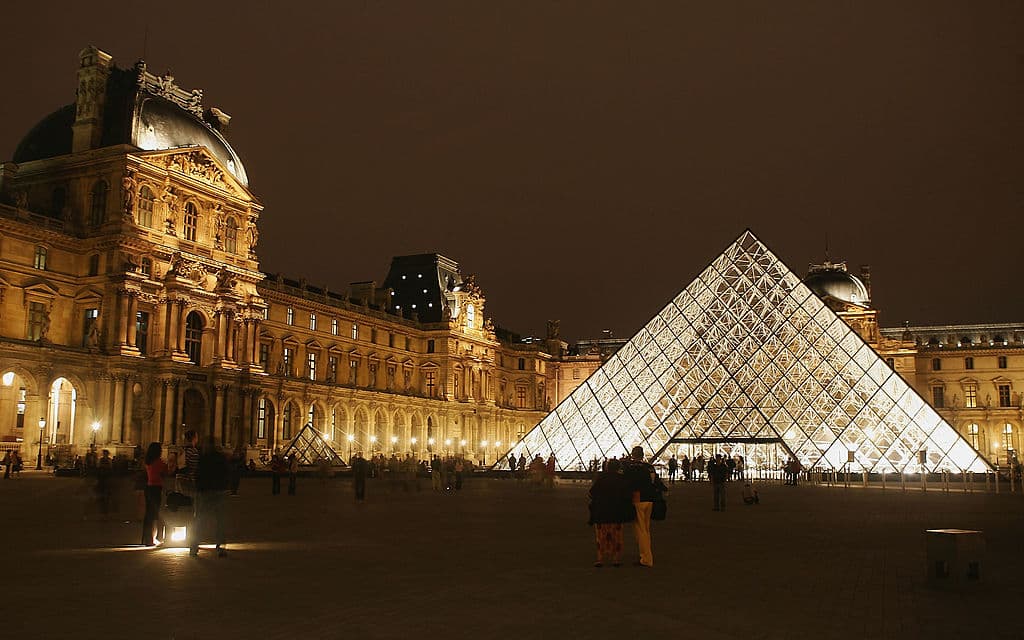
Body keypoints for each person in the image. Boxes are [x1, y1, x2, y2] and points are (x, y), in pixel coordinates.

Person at [588, 458, 634, 567]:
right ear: (619, 468)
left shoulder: (601, 478)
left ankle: (600, 559)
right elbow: (628, 495)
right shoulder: (622, 479)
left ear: (607, 467)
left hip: (602, 512)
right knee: (617, 536)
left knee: (601, 537)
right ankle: (616, 559)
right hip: (617, 512)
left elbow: (591, 493)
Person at [623, 445, 664, 568]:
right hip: (650, 499)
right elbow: (656, 483)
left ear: (632, 455)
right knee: (646, 529)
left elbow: (627, 484)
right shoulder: (649, 467)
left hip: (638, 499)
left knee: (640, 530)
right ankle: (646, 555)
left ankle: (646, 558)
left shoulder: (630, 468)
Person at [190, 437, 229, 558]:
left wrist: (198, 488)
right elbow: (227, 473)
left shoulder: (203, 458)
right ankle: (220, 546)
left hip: (205, 492)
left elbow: (198, 474)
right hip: (219, 491)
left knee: (200, 520)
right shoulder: (221, 458)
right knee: (220, 520)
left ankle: (194, 546)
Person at [142, 442, 175, 546]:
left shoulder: (148, 461)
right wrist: (173, 463)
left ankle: (147, 538)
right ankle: (156, 537)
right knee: (158, 514)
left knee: (149, 515)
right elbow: (168, 472)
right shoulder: (158, 462)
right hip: (156, 488)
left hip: (148, 487)